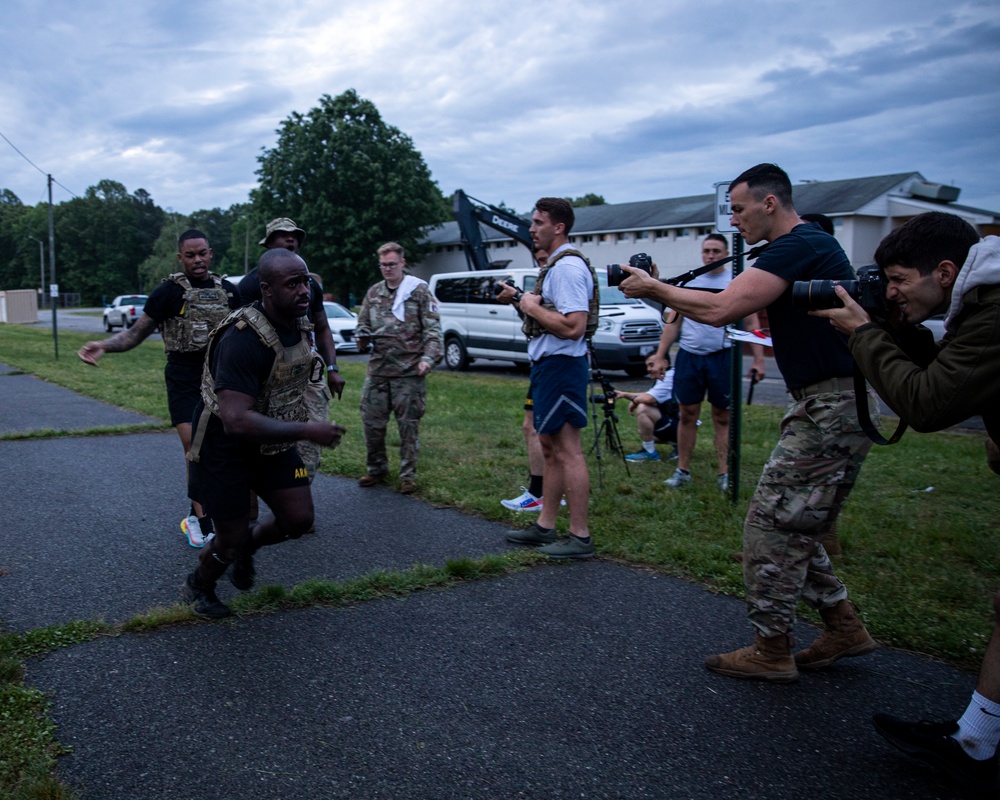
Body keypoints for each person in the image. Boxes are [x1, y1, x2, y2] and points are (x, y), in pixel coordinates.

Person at [619, 163, 877, 682]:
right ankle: (843, 626)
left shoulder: (798, 245)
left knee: (768, 523)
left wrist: (654, 288)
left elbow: (723, 309)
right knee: (793, 526)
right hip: (827, 403)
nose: (733, 220)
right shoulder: (798, 249)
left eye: (738, 209)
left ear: (769, 203)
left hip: (830, 407)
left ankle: (772, 648)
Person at [811, 212, 1000, 792]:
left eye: (897, 280)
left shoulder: (994, 312)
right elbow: (948, 368)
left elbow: (926, 402)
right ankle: (976, 741)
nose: (890, 291)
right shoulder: (978, 304)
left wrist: (864, 334)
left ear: (945, 272)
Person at [183, 248, 346, 618]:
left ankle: (249, 549)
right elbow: (237, 420)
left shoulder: (300, 321)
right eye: (293, 284)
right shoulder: (243, 339)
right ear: (267, 289)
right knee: (229, 537)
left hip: (272, 440)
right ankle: (200, 585)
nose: (304, 290)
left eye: (305, 281)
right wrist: (307, 429)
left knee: (299, 519)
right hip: (226, 444)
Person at [79, 230, 239, 548]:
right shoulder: (168, 292)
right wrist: (104, 346)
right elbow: (135, 333)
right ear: (180, 257)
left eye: (202, 253)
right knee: (195, 449)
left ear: (211, 253)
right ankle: (203, 523)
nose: (198, 260)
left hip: (220, 381)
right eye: (190, 255)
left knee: (223, 452)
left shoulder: (230, 292)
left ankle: (203, 513)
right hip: (183, 381)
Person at [504, 197, 599, 559]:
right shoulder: (557, 266)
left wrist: (529, 305)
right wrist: (525, 304)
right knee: (551, 449)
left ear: (558, 227)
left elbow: (573, 327)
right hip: (550, 366)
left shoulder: (568, 268)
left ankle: (580, 536)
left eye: (539, 222)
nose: (532, 228)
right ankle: (546, 526)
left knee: (568, 450)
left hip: (562, 366)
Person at [646, 234, 765, 491]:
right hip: (690, 355)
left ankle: (724, 473)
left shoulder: (736, 281)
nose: (710, 255)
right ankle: (682, 470)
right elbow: (673, 321)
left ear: (725, 253)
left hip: (722, 356)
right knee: (687, 413)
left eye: (716, 251)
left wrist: (758, 359)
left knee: (722, 416)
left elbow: (752, 323)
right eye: (707, 251)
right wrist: (660, 354)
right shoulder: (691, 280)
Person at [238, 218, 345, 485]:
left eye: (295, 235)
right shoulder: (250, 285)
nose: (291, 239)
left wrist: (332, 369)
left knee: (309, 436)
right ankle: (251, 495)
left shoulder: (310, 285)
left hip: (307, 370)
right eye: (282, 235)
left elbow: (322, 327)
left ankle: (300, 492)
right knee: (258, 438)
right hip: (268, 372)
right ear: (269, 244)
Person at [355, 242, 443, 494]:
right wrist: (362, 336)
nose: (387, 269)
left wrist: (428, 358)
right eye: (383, 265)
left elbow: (434, 330)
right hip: (379, 370)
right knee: (371, 423)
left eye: (392, 264)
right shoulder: (373, 293)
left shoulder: (418, 291)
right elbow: (363, 324)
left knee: (408, 426)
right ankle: (376, 469)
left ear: (402, 263)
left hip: (409, 371)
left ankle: (408, 476)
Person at [497, 249, 550, 512]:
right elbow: (535, 321)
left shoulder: (560, 276)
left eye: (544, 258)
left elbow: (558, 322)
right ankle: (542, 493)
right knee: (531, 427)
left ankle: (540, 494)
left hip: (554, 364)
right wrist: (518, 302)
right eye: (539, 260)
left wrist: (518, 297)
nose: (542, 263)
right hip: (543, 363)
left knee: (547, 433)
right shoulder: (547, 277)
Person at [610, 356, 679, 458]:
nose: (648, 369)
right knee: (644, 430)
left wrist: (635, 401)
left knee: (643, 409)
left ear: (665, 363)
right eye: (647, 366)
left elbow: (649, 399)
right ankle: (679, 446)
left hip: (683, 427)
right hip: (683, 425)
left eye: (651, 365)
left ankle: (649, 452)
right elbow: (650, 394)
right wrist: (625, 394)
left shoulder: (668, 377)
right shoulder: (669, 374)